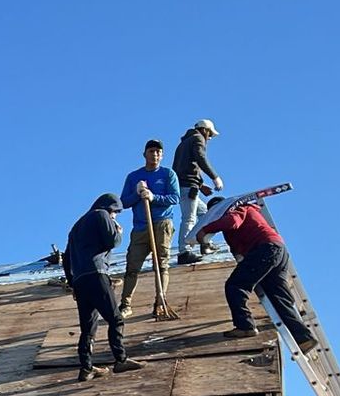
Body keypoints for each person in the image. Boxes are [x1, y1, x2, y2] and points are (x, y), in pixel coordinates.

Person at [196, 196, 318, 353]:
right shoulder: (249, 211)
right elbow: (237, 247)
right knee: (278, 296)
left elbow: (232, 221)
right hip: (277, 249)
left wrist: (206, 230)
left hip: (264, 249)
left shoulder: (235, 210)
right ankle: (304, 338)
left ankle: (245, 326)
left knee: (235, 285)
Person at [62, 193, 142, 381]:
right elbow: (112, 241)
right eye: (115, 213)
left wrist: (72, 283)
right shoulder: (101, 214)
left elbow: (66, 259)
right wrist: (118, 230)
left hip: (80, 280)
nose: (115, 216)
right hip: (97, 274)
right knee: (115, 319)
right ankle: (120, 359)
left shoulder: (76, 226)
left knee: (88, 327)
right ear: (111, 208)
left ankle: (87, 367)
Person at [117, 139, 180, 317]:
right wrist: (137, 194)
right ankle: (125, 305)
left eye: (158, 152)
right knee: (132, 266)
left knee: (161, 264)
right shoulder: (133, 177)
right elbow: (123, 202)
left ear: (162, 155)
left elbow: (175, 198)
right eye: (152, 151)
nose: (155, 154)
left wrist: (154, 197)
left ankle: (160, 301)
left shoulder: (168, 174)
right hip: (140, 227)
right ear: (144, 154)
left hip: (162, 224)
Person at [171, 119, 223, 264]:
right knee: (189, 218)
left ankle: (204, 243)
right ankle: (184, 252)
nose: (210, 138)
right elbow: (200, 158)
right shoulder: (198, 138)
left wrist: (200, 185)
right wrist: (215, 177)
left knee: (206, 214)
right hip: (188, 187)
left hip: (185, 186)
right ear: (205, 130)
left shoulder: (183, 144)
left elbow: (184, 169)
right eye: (210, 134)